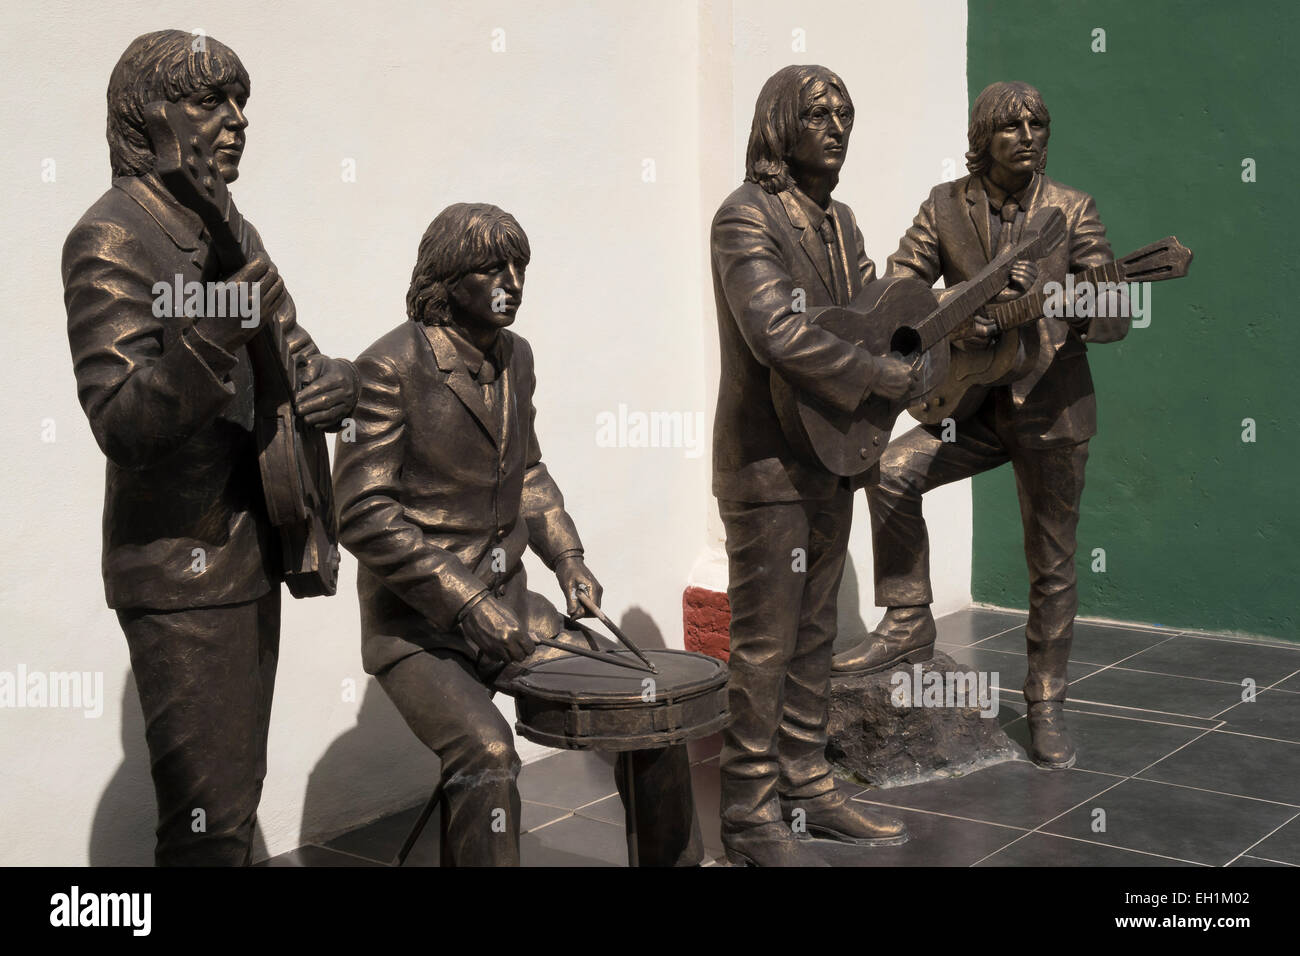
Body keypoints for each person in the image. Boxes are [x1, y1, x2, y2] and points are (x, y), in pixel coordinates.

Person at [62, 30, 358, 864]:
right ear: (143, 118)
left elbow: (298, 356)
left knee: (231, 800)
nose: (235, 121)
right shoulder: (112, 237)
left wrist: (337, 385)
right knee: (208, 824)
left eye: (241, 105)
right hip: (180, 566)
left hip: (251, 551)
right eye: (209, 103)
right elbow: (120, 419)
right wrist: (214, 329)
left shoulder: (230, 228)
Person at [333, 202, 702, 866]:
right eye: (491, 269)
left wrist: (569, 559)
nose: (512, 282)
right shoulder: (386, 369)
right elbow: (363, 513)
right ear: (446, 279)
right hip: (419, 632)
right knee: (489, 754)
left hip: (515, 611)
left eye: (519, 267)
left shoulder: (516, 357)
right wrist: (467, 604)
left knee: (648, 706)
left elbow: (528, 472)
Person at [832, 81, 1129, 770]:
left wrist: (1076, 304)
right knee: (890, 470)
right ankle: (908, 620)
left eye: (1038, 123)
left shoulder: (1070, 209)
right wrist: (964, 311)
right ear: (982, 138)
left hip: (1051, 409)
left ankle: (1047, 702)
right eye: (1012, 124)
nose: (1028, 134)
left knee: (1049, 563)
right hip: (966, 404)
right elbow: (898, 295)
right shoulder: (944, 206)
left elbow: (1113, 319)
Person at [709, 65, 913, 866]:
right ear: (778, 125)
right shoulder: (744, 217)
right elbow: (774, 332)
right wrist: (873, 376)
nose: (837, 126)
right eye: (819, 113)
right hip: (766, 467)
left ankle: (806, 782)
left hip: (830, 455)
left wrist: (920, 342)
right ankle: (749, 816)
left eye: (845, 114)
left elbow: (866, 315)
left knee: (817, 631)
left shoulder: (841, 222)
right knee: (764, 642)